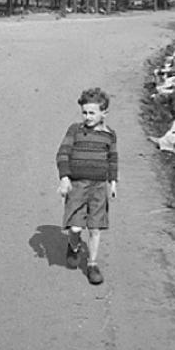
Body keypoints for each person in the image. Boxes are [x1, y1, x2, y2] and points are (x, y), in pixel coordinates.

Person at [56, 88, 118, 285]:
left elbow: (113, 159)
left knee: (95, 228)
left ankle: (92, 264)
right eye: (85, 112)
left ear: (104, 113)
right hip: (78, 185)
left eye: (92, 113)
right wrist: (65, 177)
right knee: (75, 227)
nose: (88, 117)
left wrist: (113, 181)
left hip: (99, 187)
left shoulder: (109, 135)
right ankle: (73, 247)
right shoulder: (75, 130)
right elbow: (63, 153)